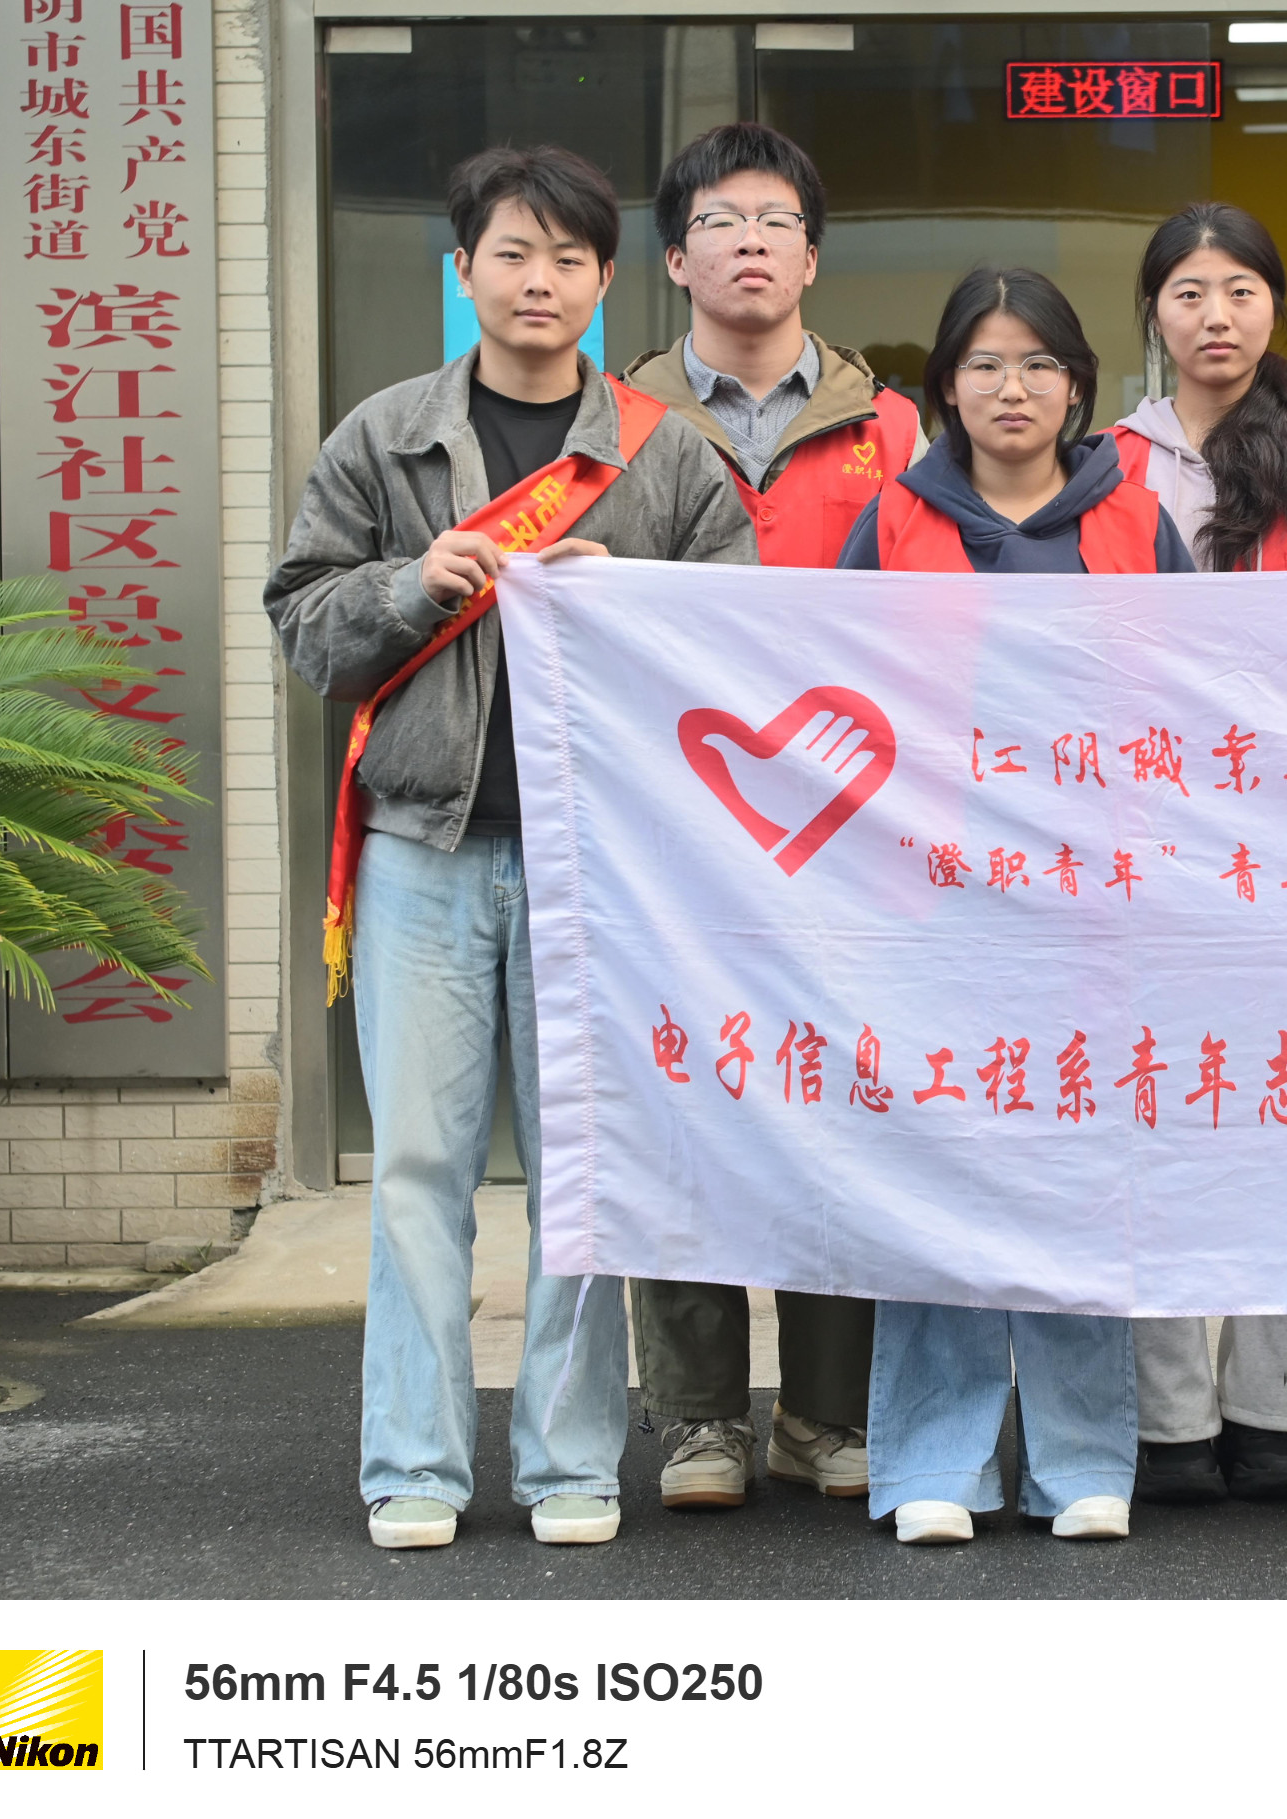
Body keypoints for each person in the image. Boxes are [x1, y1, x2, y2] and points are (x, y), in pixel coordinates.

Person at [266, 146, 756, 1550]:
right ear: (463, 270)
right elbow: (304, 622)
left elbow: (737, 643)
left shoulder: (665, 452)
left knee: (579, 1182)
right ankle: (414, 1465)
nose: (539, 281)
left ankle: (570, 1463)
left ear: (607, 281)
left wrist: (633, 600)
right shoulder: (385, 437)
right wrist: (409, 585)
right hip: (420, 853)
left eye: (568, 259)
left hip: (597, 869)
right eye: (511, 254)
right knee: (417, 1172)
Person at [838, 264, 1192, 1542]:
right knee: (938, 1158)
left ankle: (1081, 1459)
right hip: (933, 897)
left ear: (1079, 388)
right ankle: (934, 1462)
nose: (1012, 388)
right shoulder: (893, 519)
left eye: (1040, 364)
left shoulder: (1137, 521)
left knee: (1077, 1167)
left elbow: (1197, 697)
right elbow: (839, 690)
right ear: (946, 386)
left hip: (1091, 899)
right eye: (984, 364)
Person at [617, 121, 924, 1515]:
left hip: (851, 825)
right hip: (667, 826)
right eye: (719, 220)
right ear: (675, 257)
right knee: (683, 1100)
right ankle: (696, 1418)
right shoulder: (606, 422)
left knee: (835, 1104)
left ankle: (825, 1413)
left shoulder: (896, 428)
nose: (749, 241)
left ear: (811, 256)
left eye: (775, 221)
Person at [1106, 202, 1287, 1506]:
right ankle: (1167, 1417)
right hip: (1149, 832)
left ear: (1276, 305)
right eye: (1188, 292)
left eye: (1239, 291)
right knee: (1157, 1109)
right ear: (1153, 313)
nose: (1215, 315)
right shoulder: (1105, 463)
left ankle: (1268, 1411)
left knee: (1282, 1108)